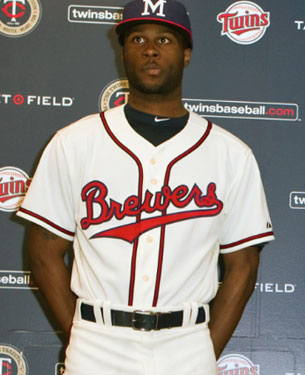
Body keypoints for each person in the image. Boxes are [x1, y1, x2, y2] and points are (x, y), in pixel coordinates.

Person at [17, 1, 274, 374]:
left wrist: (203, 348)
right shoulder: (75, 142)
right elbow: (43, 250)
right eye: (137, 38)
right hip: (96, 341)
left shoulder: (230, 154)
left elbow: (244, 266)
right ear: (122, 50)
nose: (150, 49)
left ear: (186, 54)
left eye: (165, 39)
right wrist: (81, 335)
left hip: (187, 342)